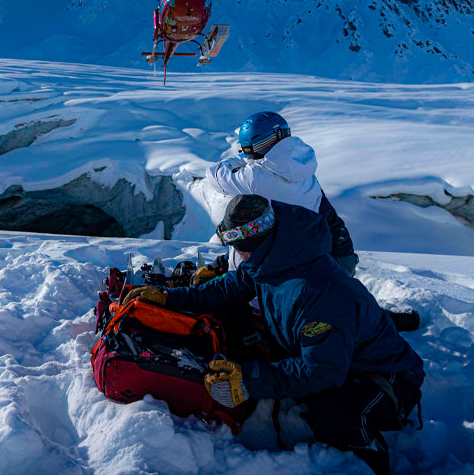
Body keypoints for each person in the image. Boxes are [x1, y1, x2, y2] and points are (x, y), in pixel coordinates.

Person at [125, 194, 424, 475]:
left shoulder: (316, 291)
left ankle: (368, 459)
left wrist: (248, 379)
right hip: (328, 353)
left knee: (329, 414)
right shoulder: (272, 254)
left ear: (251, 242)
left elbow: (321, 372)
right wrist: (171, 298)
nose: (233, 252)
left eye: (234, 243)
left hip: (385, 376)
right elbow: (232, 287)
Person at [206, 111, 358, 277]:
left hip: (312, 266)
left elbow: (214, 174)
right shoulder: (304, 167)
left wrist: (243, 157)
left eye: (247, 149)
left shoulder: (257, 177)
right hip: (337, 256)